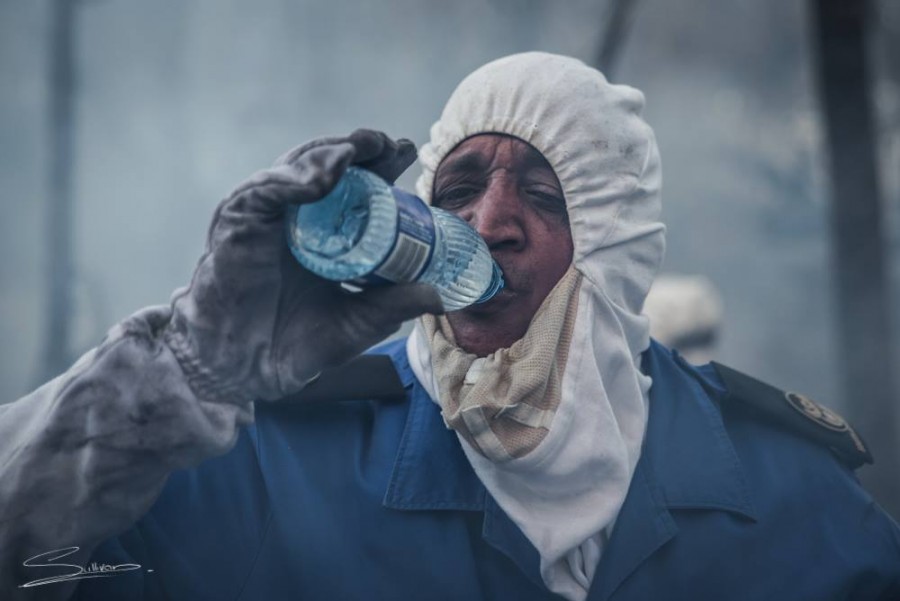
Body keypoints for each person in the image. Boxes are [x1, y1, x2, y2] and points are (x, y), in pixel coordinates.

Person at [2, 52, 899, 601]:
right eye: (459, 189)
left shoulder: (791, 498)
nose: (489, 221)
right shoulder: (272, 469)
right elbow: (25, 564)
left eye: (543, 196)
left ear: (619, 252)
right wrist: (188, 366)